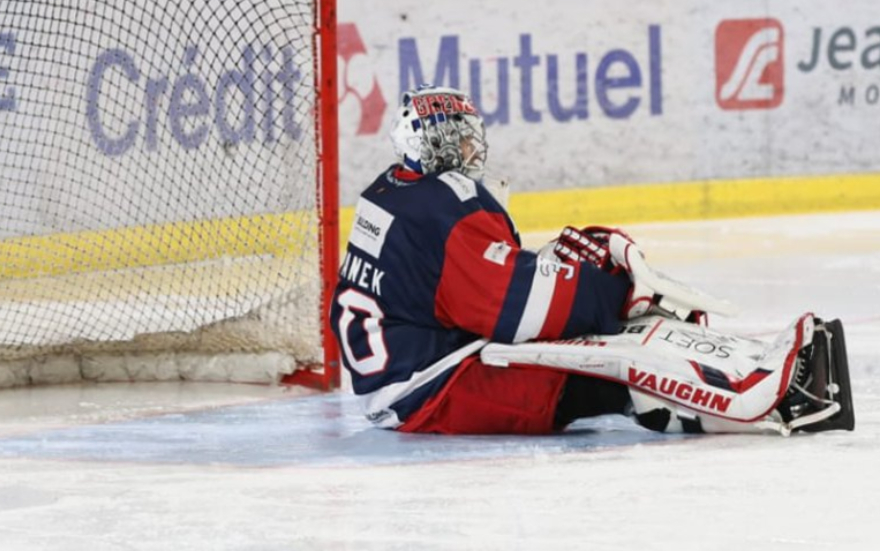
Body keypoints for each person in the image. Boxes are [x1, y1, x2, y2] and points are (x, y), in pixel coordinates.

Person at [330, 85, 853, 436]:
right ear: (433, 145)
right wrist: (614, 293)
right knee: (613, 371)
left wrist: (561, 273)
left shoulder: (392, 189)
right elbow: (513, 309)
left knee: (599, 338)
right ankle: (777, 406)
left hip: (413, 364)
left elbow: (462, 288)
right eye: (457, 138)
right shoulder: (446, 208)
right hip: (435, 388)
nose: (469, 148)